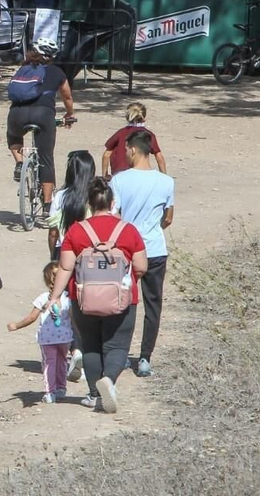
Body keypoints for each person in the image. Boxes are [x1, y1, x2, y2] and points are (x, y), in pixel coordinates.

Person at [47, 178, 148, 413]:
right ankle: (109, 380)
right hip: (122, 298)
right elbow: (141, 266)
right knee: (117, 345)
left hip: (84, 299)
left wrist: (55, 297)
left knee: (90, 344)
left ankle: (94, 394)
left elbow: (65, 267)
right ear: (112, 203)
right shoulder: (128, 230)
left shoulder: (76, 231)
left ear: (89, 204)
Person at [109, 130, 176, 378]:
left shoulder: (119, 181)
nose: (125, 154)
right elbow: (168, 218)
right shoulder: (166, 182)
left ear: (134, 150)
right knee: (153, 304)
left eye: (126, 150)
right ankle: (145, 357)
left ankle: (120, 353)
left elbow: (114, 215)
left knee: (123, 301)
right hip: (155, 249)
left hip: (127, 250)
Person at [5, 39, 75, 214]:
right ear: (52, 56)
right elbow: (67, 97)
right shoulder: (56, 72)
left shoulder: (23, 69)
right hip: (43, 115)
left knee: (13, 136)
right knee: (46, 158)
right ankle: (47, 204)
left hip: (17, 114)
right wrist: (69, 114)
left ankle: (19, 162)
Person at [6, 261, 76, 404]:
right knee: (62, 362)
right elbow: (73, 318)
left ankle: (50, 392)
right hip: (65, 337)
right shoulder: (68, 298)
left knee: (49, 364)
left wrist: (16, 326)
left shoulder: (43, 298)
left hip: (47, 338)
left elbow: (32, 317)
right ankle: (61, 388)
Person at [100, 102, 167, 176]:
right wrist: (164, 177)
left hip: (119, 172)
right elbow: (159, 158)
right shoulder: (148, 134)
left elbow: (106, 155)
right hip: (139, 172)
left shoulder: (121, 133)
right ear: (144, 117)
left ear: (127, 117)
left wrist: (105, 175)